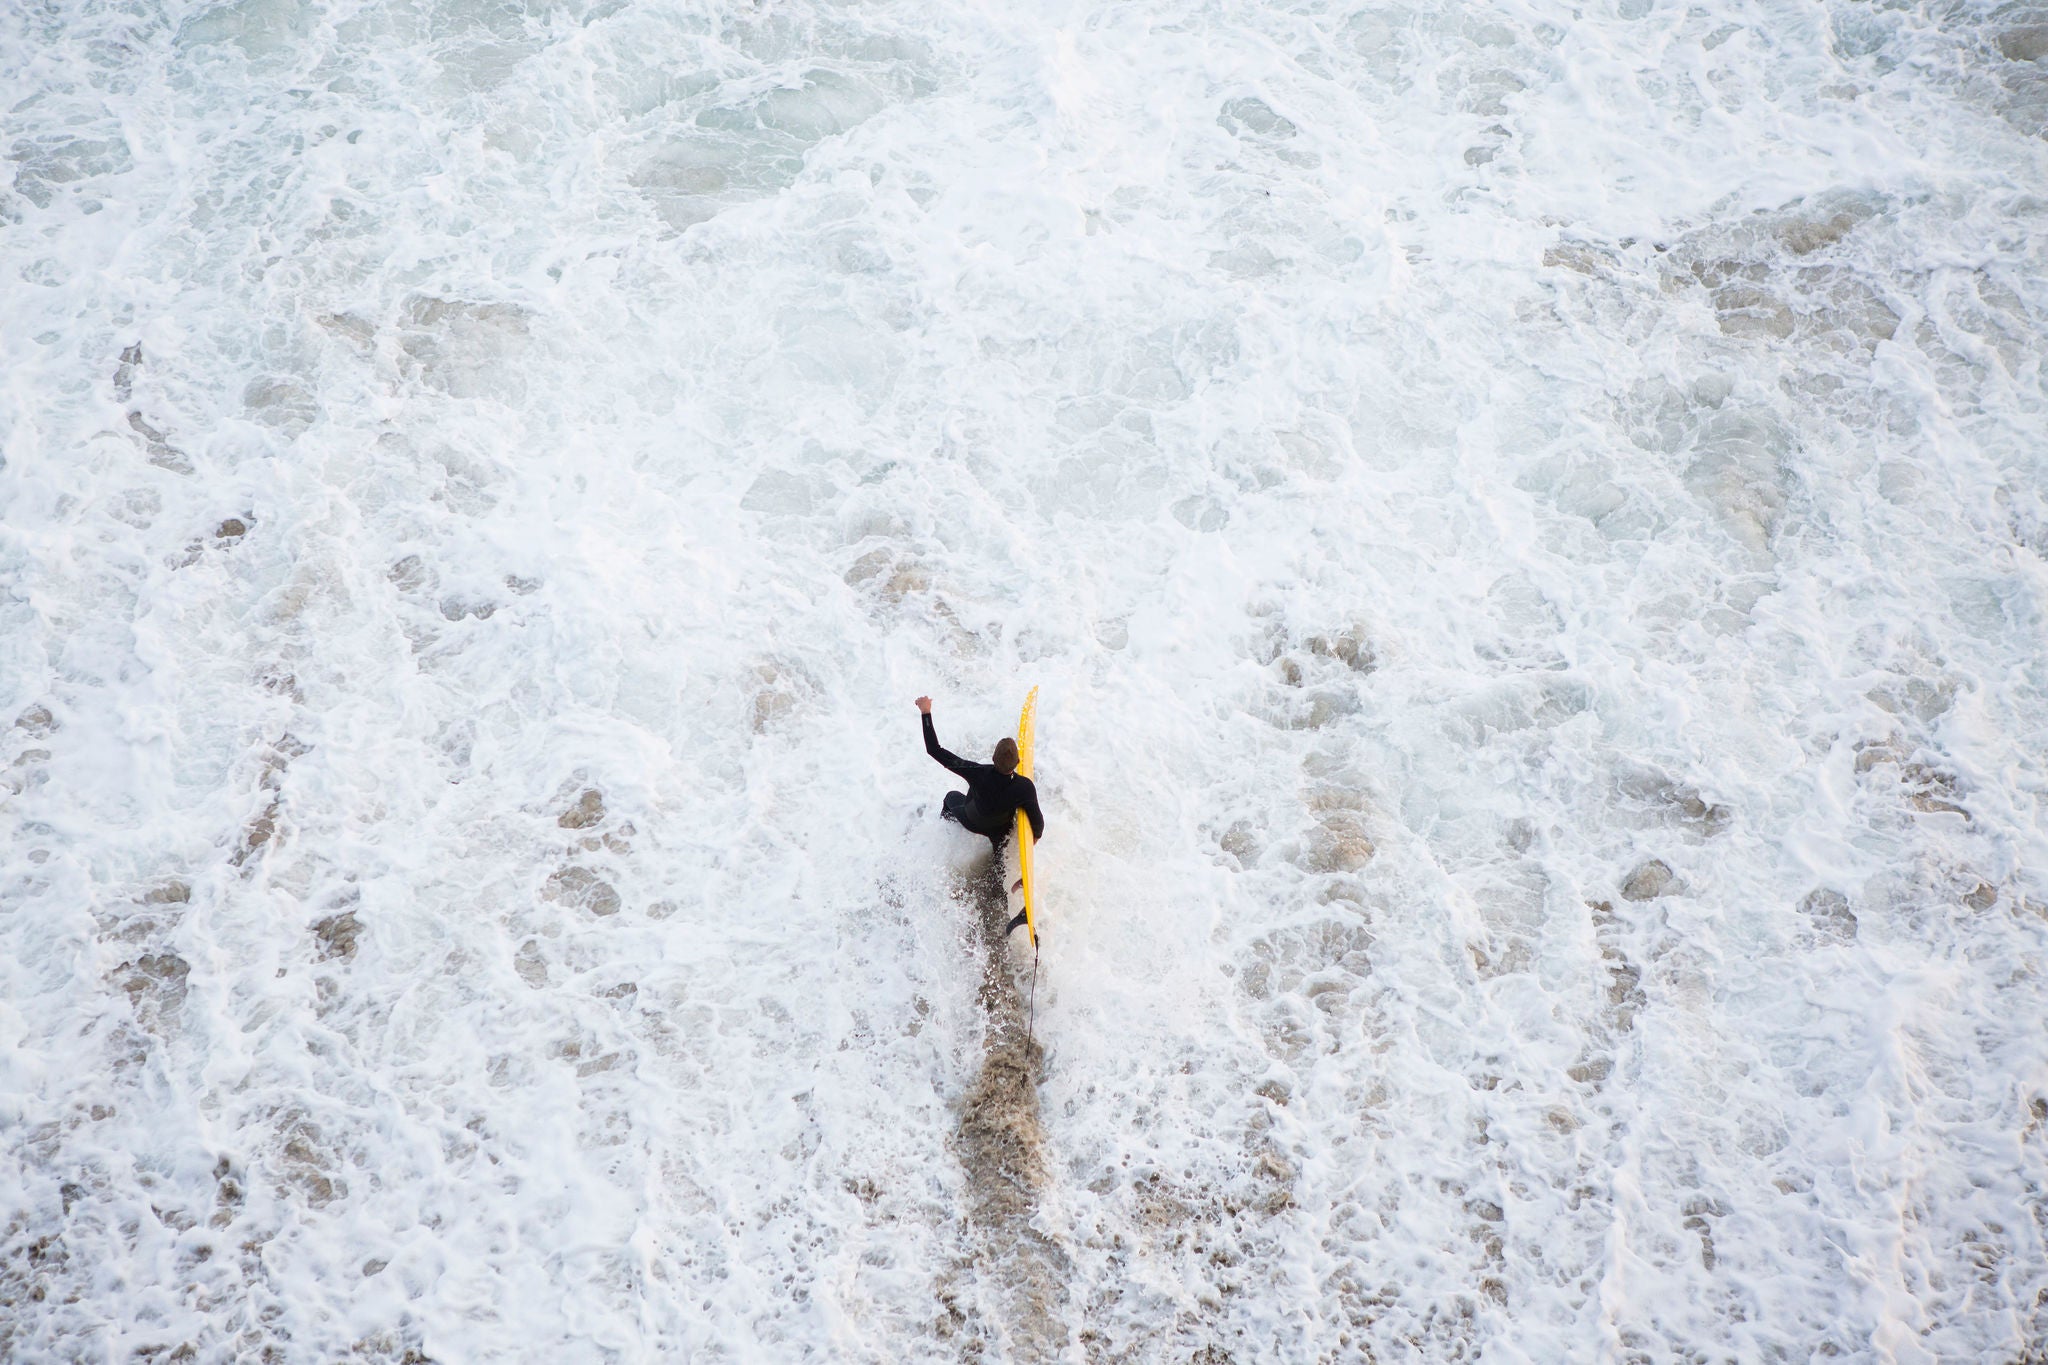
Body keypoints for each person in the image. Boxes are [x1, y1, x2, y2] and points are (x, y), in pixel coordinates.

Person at [916, 695, 1044, 850]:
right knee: (1000, 854)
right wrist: (1036, 834)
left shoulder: (977, 772)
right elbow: (1038, 822)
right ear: (1017, 762)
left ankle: (946, 830)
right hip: (1000, 831)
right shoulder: (1025, 787)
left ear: (993, 758)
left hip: (971, 821)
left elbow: (934, 749)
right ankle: (997, 868)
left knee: (951, 797)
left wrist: (926, 712)